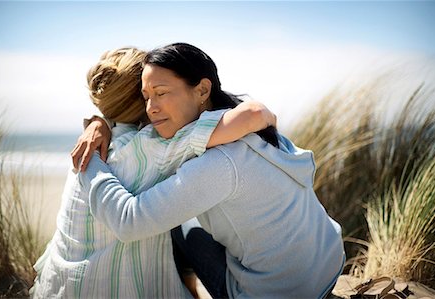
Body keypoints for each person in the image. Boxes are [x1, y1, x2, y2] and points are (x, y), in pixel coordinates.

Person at [78, 42, 345, 298]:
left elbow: (129, 222)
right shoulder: (247, 128)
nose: (151, 108)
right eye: (146, 97)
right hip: (329, 264)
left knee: (173, 224)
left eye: (161, 93)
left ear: (203, 90)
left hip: (282, 292)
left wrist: (90, 164)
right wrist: (101, 121)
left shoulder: (217, 163)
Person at [31, 46, 277, 299]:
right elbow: (254, 115)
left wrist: (99, 121)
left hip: (57, 285)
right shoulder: (154, 146)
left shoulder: (91, 145)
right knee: (184, 223)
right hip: (124, 290)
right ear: (140, 98)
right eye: (149, 94)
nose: (152, 105)